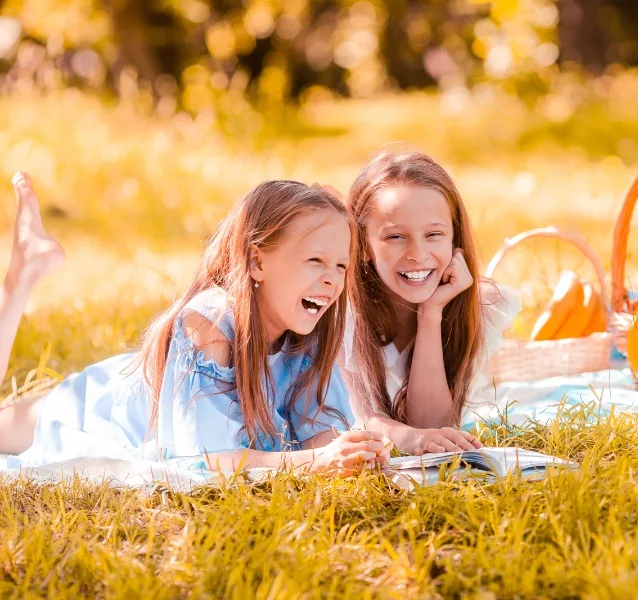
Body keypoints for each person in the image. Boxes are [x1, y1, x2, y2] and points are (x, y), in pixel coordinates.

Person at [0, 173, 388, 477]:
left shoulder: (310, 331)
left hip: (123, 385)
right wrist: (317, 462)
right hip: (95, 410)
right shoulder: (210, 323)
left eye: (341, 266)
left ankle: (26, 269)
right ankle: (21, 278)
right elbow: (206, 460)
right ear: (257, 263)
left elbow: (319, 433)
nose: (331, 280)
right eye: (315, 261)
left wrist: (350, 451)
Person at [341, 151, 520, 455]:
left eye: (434, 234)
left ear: (454, 239)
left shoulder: (483, 307)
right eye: (396, 237)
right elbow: (360, 417)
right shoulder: (343, 312)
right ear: (363, 246)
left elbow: (433, 425)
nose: (418, 254)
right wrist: (412, 439)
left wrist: (431, 313)